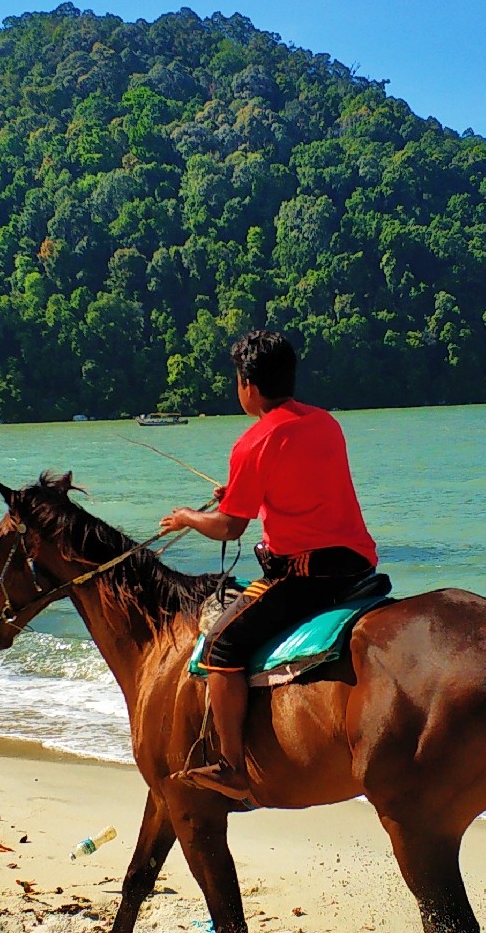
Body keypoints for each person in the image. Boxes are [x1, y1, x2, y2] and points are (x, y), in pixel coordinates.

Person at [158, 330, 377, 798]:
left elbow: (229, 529)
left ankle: (231, 766)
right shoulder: (326, 423)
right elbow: (300, 490)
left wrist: (187, 518)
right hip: (356, 567)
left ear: (248, 387)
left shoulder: (252, 443)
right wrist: (238, 494)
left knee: (220, 648)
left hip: (305, 577)